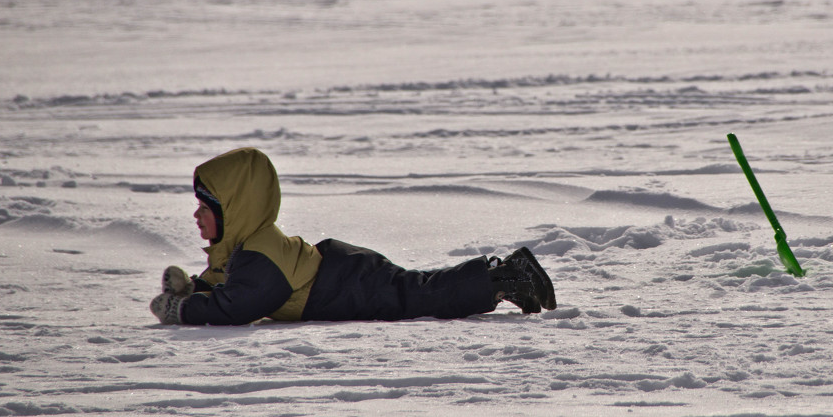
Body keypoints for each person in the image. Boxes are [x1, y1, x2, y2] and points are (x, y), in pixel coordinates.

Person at [149, 147, 556, 325]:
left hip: (341, 284)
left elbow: (239, 307)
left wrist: (185, 311)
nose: (196, 216)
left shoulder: (258, 254)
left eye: (205, 208)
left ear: (233, 210)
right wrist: (195, 288)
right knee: (418, 287)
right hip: (340, 272)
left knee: (420, 297)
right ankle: (500, 277)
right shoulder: (248, 246)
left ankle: (504, 279)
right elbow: (231, 285)